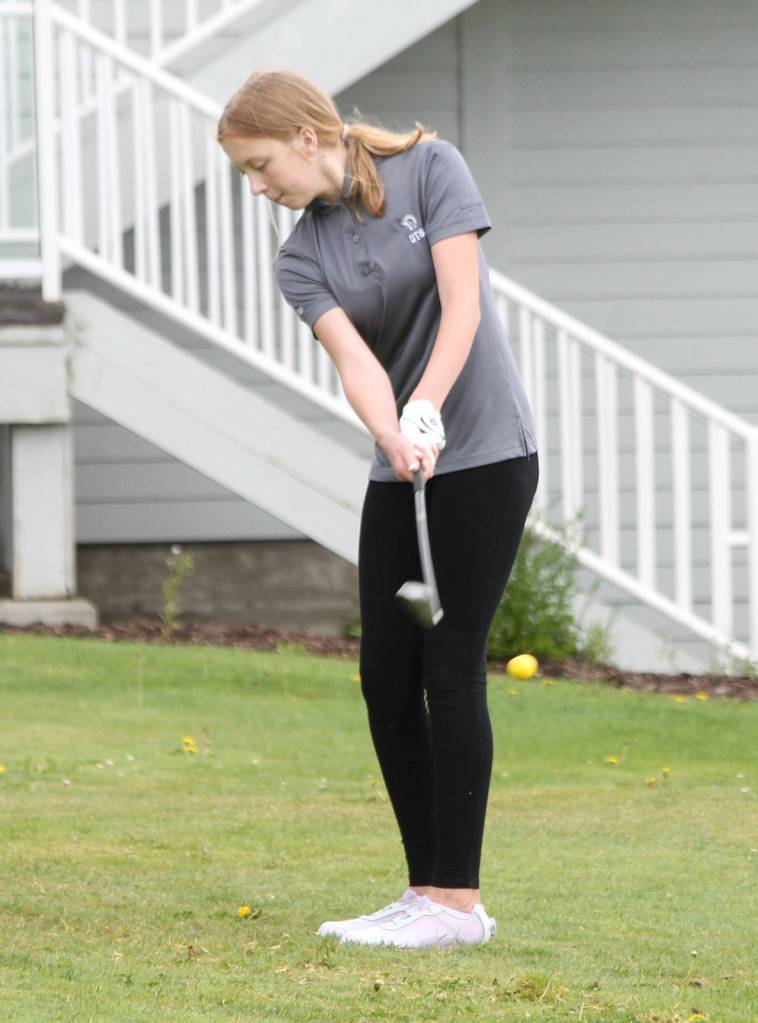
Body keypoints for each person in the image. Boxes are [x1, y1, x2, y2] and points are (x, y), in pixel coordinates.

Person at [218, 69, 539, 949]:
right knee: (385, 674)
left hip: (487, 459)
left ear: (306, 138)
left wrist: (427, 404)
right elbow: (357, 363)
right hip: (404, 468)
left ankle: (458, 904)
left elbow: (462, 307)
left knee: (449, 661)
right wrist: (393, 431)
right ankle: (423, 890)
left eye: (258, 164)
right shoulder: (299, 256)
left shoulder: (433, 170)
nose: (257, 186)